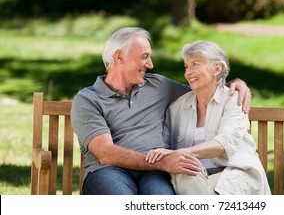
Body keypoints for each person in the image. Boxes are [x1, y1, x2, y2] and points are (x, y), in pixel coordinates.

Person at [70, 27, 251, 195]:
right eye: (144, 56)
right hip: (109, 171)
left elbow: (205, 88)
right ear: (119, 57)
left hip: (155, 173)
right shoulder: (87, 100)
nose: (150, 64)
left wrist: (235, 84)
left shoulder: (158, 85)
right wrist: (163, 161)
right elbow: (106, 153)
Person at [146, 40, 271, 195]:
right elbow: (163, 145)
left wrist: (180, 153)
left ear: (216, 69)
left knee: (185, 168)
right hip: (194, 177)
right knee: (183, 169)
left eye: (195, 64)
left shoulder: (234, 100)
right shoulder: (178, 107)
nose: (188, 72)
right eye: (186, 66)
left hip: (234, 174)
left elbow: (223, 144)